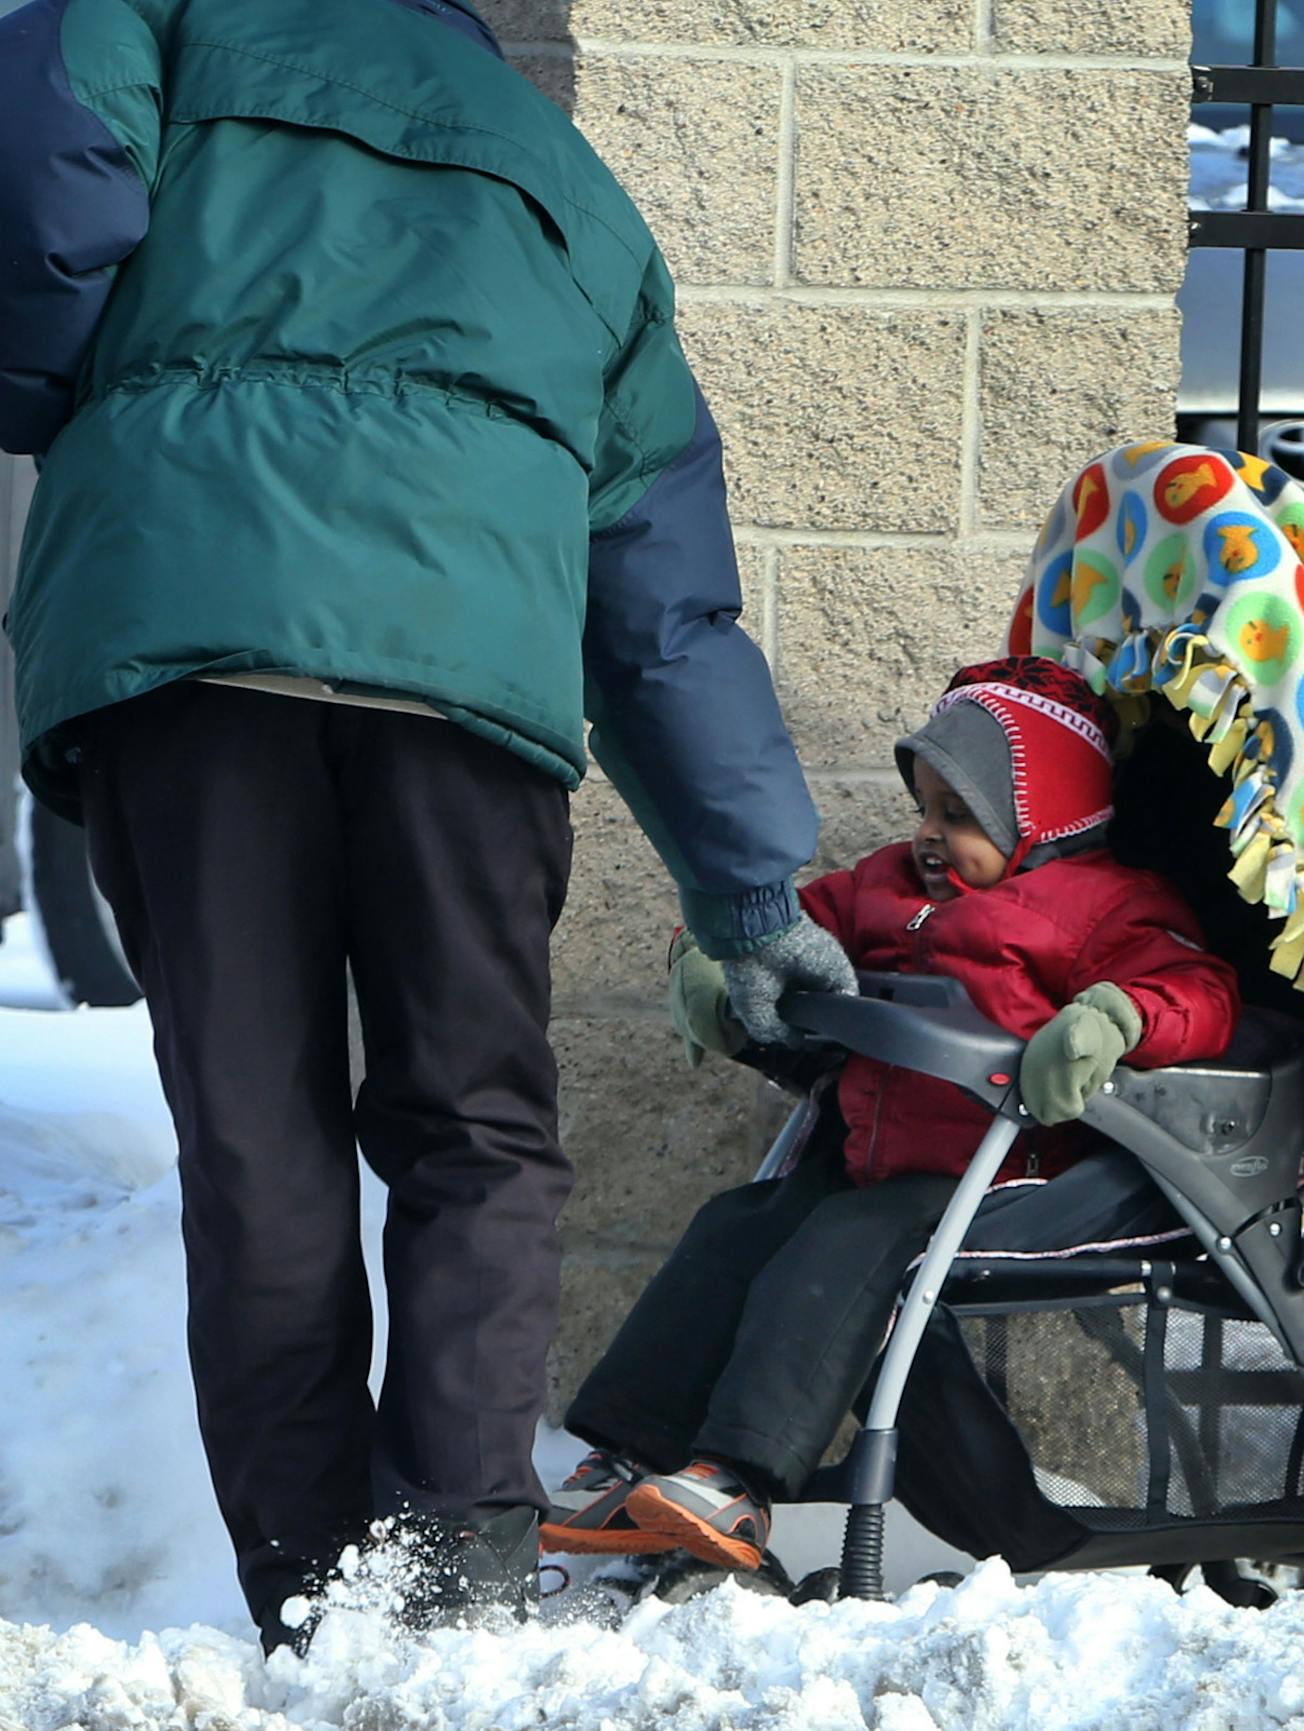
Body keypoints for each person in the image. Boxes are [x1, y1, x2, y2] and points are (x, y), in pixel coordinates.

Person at [0, 0, 854, 1645]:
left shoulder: (160, 17)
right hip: (470, 688)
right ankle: (454, 1552)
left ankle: (317, 1591)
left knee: (261, 1142)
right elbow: (665, 611)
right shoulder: (571, 185)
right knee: (476, 1122)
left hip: (195, 646)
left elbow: (52, 195)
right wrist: (753, 896)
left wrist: (53, 388)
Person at [539, 657, 1242, 1570]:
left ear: (1045, 813)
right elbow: (780, 922)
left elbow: (1201, 989)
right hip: (865, 1150)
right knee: (735, 1227)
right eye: (926, 806)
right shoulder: (884, 886)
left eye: (962, 815)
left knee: (844, 1248)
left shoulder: (1102, 905)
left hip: (1005, 1173)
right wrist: (711, 961)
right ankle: (628, 1451)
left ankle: (738, 1477)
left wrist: (1116, 1017)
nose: (931, 835)